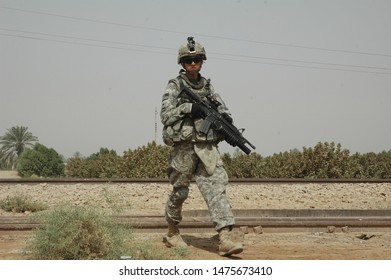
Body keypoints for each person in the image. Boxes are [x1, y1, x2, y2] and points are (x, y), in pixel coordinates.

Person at [160, 37, 243, 257]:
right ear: (182, 63)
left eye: (196, 59)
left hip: (207, 149)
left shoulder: (208, 86)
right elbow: (165, 115)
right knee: (180, 192)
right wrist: (188, 108)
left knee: (217, 191)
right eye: (188, 61)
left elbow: (224, 110)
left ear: (202, 61)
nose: (193, 64)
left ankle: (225, 237)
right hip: (184, 149)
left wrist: (225, 122)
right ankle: (172, 231)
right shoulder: (175, 86)